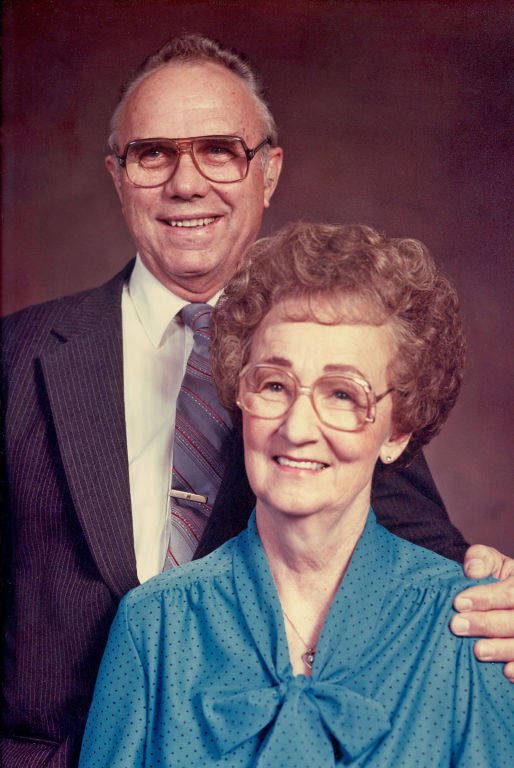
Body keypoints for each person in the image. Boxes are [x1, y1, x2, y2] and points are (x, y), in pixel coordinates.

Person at [1, 35, 513, 768]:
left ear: (267, 172)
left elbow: (432, 569)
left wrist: (500, 595)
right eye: (153, 154)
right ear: (116, 175)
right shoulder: (13, 361)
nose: (186, 183)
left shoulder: (358, 362)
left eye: (219, 150)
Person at [79, 223, 514, 767]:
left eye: (341, 394)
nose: (298, 427)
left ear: (398, 431)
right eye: (275, 385)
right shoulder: (154, 627)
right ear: (241, 394)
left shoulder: (473, 629)